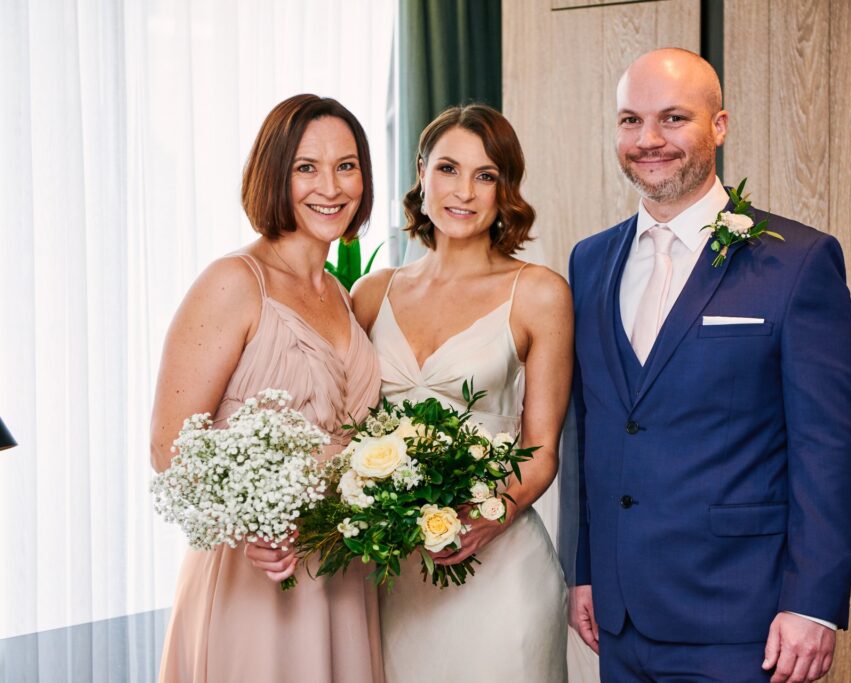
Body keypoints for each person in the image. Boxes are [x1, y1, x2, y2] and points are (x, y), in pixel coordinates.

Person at [567, 48, 851, 683]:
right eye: (629, 120)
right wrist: (586, 570)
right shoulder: (589, 262)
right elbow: (593, 428)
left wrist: (812, 603)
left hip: (743, 621)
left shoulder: (799, 262)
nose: (648, 140)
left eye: (672, 118)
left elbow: (827, 447)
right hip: (619, 621)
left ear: (719, 126)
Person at [353, 104, 593, 682]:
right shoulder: (371, 292)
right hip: (395, 576)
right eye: (448, 169)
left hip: (500, 569)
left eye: (485, 176)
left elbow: (541, 449)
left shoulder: (538, 293)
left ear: (504, 190)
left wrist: (486, 518)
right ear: (421, 173)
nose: (464, 191)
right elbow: (345, 428)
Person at [151, 94, 384, 682]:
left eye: (346, 165)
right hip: (256, 575)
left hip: (340, 571)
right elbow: (169, 448)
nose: (329, 186)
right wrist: (253, 525)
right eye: (306, 166)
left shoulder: (340, 295)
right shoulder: (234, 282)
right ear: (273, 174)